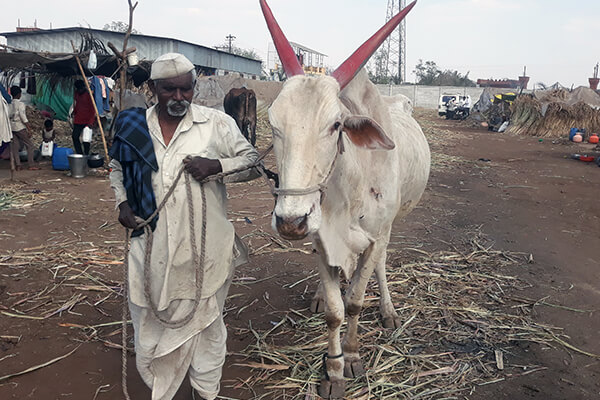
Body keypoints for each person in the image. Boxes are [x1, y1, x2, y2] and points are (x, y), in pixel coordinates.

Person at [108, 53, 260, 400]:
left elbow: (253, 162)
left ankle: (205, 393)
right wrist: (122, 203)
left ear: (194, 87)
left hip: (204, 248)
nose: (178, 98)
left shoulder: (216, 123)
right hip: (149, 243)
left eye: (185, 90)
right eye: (169, 91)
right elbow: (117, 167)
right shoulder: (133, 125)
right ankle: (160, 386)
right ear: (153, 89)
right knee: (146, 318)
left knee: (206, 328)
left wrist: (216, 165)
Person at [9, 86, 39, 170]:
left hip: (12, 127)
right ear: (19, 94)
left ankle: (18, 165)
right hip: (19, 127)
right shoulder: (21, 104)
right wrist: (29, 129)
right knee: (30, 145)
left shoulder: (9, 104)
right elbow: (23, 117)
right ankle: (31, 164)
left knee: (15, 146)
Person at [72, 79, 95, 155]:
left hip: (87, 120)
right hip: (78, 119)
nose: (79, 90)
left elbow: (93, 109)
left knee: (86, 139)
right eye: (78, 89)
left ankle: (86, 154)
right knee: (75, 137)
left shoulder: (89, 95)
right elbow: (76, 104)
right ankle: (79, 153)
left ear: (83, 87)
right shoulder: (76, 94)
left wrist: (91, 122)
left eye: (80, 89)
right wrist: (74, 113)